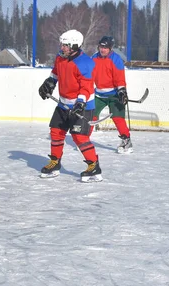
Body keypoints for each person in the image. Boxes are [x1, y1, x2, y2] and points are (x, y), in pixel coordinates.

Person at [38, 29, 103, 182]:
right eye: (62, 44)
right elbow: (56, 72)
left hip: (83, 105)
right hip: (63, 104)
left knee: (79, 137)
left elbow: (86, 87)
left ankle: (93, 165)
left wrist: (80, 103)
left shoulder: (85, 62)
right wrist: (49, 83)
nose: (62, 48)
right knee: (56, 132)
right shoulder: (60, 58)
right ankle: (55, 162)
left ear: (74, 45)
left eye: (65, 45)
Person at [92, 35, 132, 153]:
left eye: (105, 47)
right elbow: (88, 76)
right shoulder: (94, 58)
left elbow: (120, 78)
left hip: (114, 94)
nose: (102, 49)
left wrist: (122, 91)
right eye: (101, 47)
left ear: (110, 48)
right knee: (90, 117)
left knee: (117, 118)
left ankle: (126, 142)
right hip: (99, 94)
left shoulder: (116, 59)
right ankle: (84, 140)